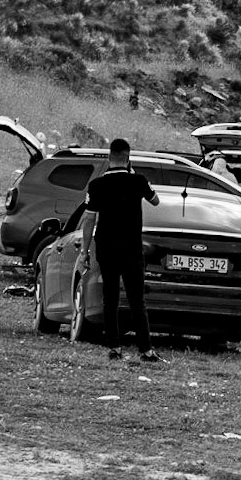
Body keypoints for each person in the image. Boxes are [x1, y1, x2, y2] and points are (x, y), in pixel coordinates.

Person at [84, 139, 162, 362]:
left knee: (110, 299)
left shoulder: (96, 185)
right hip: (131, 249)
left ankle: (114, 347)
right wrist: (134, 174)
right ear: (128, 159)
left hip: (107, 248)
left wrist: (84, 251)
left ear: (109, 158)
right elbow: (156, 201)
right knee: (137, 300)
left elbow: (89, 220)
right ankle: (145, 349)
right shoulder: (138, 181)